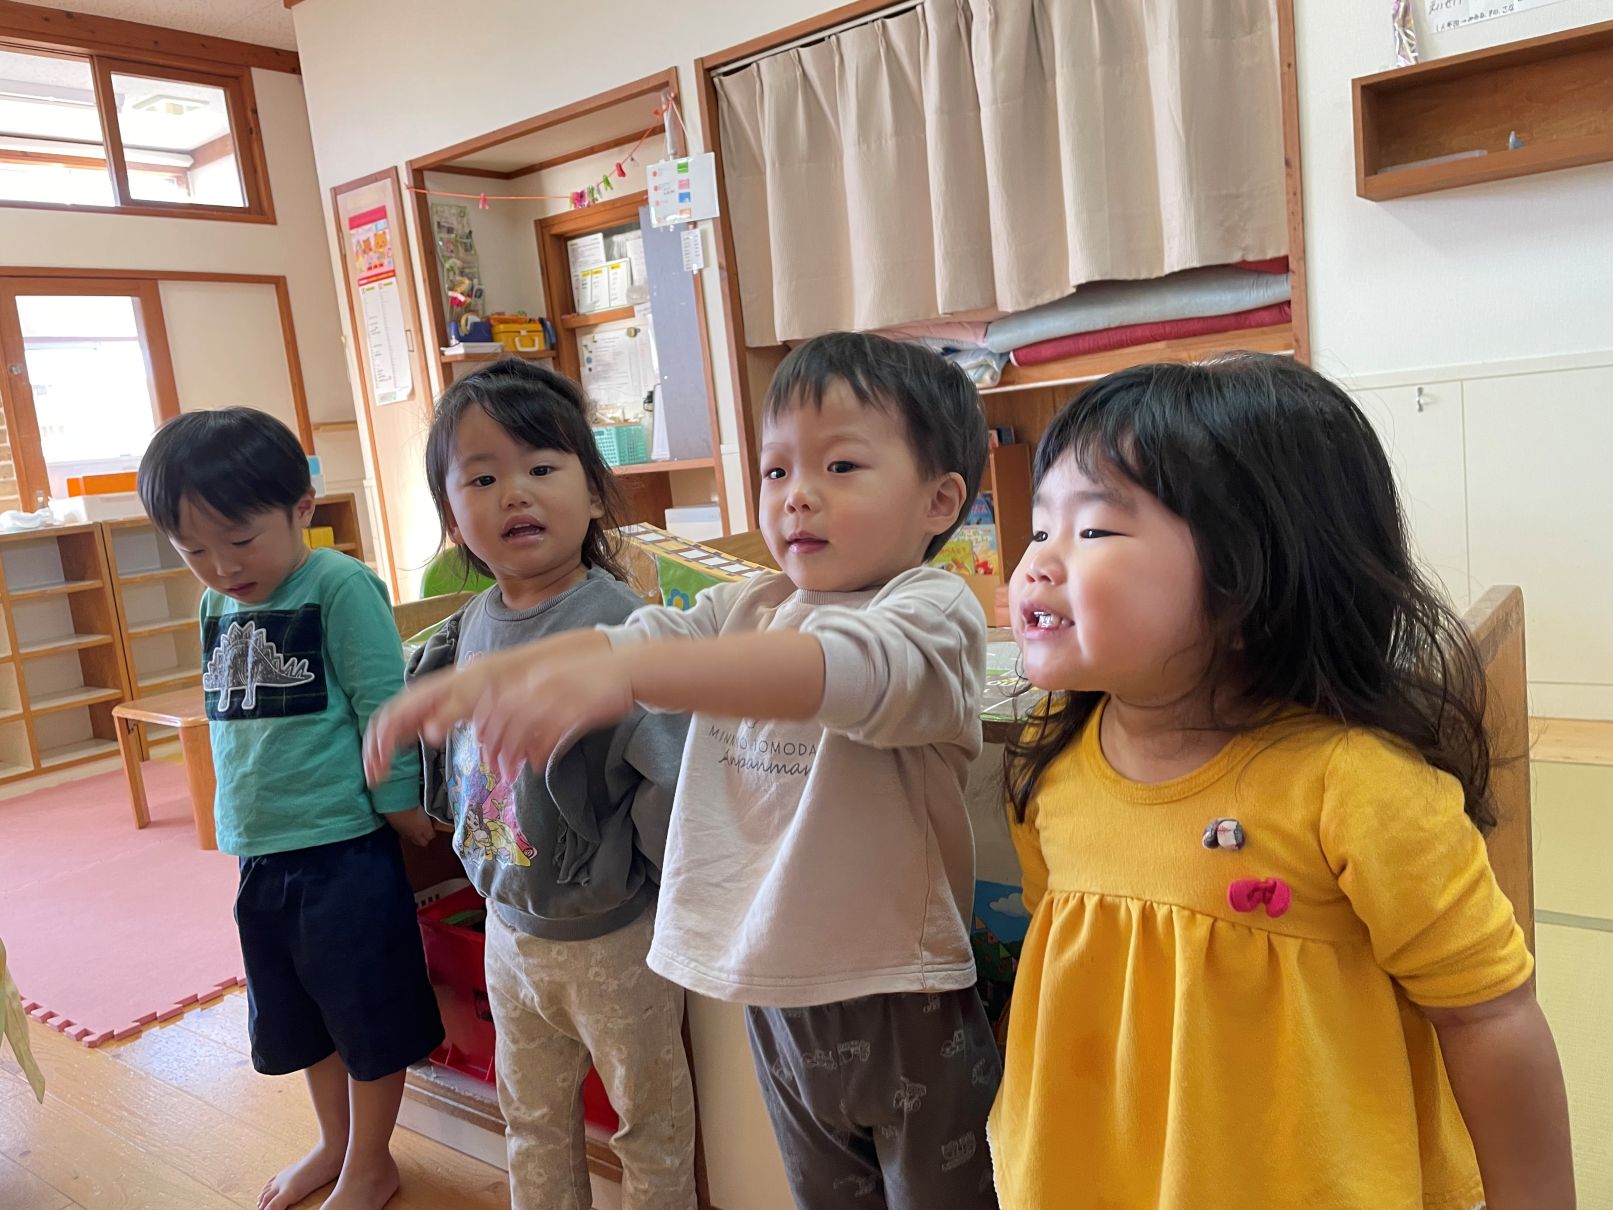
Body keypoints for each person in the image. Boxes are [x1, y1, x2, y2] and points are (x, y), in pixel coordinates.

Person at [368, 332, 1003, 1209]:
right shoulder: (754, 601)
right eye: (776, 470)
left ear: (938, 500)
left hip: (900, 991)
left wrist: (623, 674)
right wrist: (495, 674)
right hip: (772, 989)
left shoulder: (929, 609)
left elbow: (845, 670)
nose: (796, 494)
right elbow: (643, 637)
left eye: (841, 466)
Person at [990, 354, 1575, 1210]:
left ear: (1246, 585)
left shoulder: (1354, 787)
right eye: (1041, 528)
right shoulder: (1048, 756)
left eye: (1096, 531)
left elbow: (1487, 1013)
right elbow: (1067, 960)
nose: (1036, 563)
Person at [138, 408, 442, 1210]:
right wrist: (232, 820)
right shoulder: (217, 605)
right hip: (261, 849)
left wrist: (400, 804)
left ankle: (372, 1161)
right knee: (300, 1014)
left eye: (241, 540)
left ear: (301, 507)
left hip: (342, 847)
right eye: (193, 550)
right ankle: (334, 1144)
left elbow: (383, 703)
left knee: (367, 1013)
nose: (221, 566)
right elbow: (232, 725)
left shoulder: (337, 585)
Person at [411, 360, 695, 1210]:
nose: (514, 494)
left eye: (541, 467)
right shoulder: (470, 623)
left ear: (595, 492)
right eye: (481, 479)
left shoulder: (617, 622)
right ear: (452, 518)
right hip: (507, 925)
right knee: (529, 1118)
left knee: (650, 1125)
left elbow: (670, 772)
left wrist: (662, 890)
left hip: (614, 937)